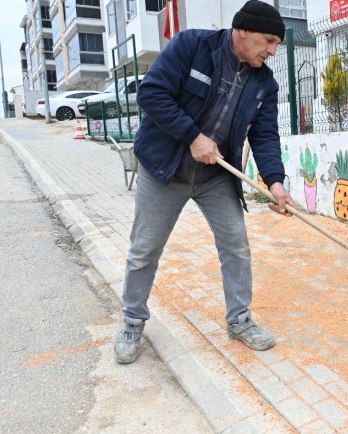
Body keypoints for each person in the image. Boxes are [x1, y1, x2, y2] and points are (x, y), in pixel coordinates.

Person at [114, 0, 295, 364]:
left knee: (236, 246)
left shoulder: (265, 83)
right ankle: (132, 322)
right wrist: (193, 136)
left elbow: (265, 136)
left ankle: (240, 321)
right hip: (165, 169)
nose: (273, 51)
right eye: (268, 40)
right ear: (242, 31)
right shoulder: (191, 46)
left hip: (216, 176)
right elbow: (152, 94)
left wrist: (275, 182)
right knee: (144, 250)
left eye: (277, 44)